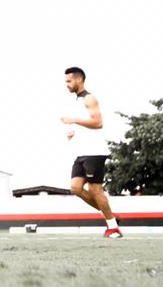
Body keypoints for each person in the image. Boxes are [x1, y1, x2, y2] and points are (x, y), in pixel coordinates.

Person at [60, 67, 121, 238]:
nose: (66, 85)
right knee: (76, 188)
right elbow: (86, 125)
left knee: (95, 190)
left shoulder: (89, 98)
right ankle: (113, 218)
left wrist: (73, 120)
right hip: (81, 153)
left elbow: (98, 123)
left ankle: (113, 227)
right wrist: (74, 132)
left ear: (79, 80)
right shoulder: (77, 101)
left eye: (69, 81)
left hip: (94, 153)